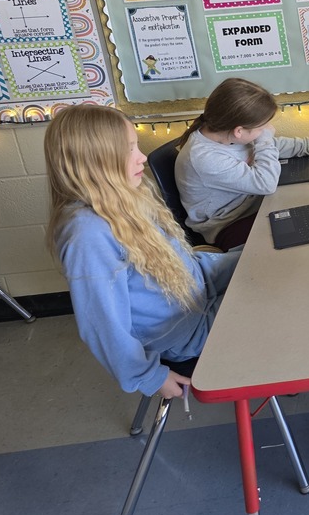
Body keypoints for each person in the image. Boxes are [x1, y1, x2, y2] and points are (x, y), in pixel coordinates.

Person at [44, 104, 240, 400]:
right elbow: (102, 325)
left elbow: (176, 265)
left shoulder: (122, 198)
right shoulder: (87, 233)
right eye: (130, 150)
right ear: (97, 161)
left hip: (196, 294)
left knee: (268, 262)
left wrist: (239, 260)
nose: (142, 157)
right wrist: (149, 376)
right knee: (274, 297)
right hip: (184, 336)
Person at [175, 77, 309, 251]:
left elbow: (271, 146)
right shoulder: (204, 158)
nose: (267, 130)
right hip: (229, 226)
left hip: (252, 204)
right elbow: (266, 184)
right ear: (239, 131)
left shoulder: (225, 132)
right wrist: (264, 139)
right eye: (261, 128)